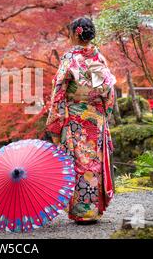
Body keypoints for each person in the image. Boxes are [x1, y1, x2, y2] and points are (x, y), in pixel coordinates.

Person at [46, 17, 116, 224]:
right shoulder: (99, 58)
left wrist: (56, 123)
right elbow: (108, 93)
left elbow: (59, 91)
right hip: (96, 118)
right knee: (94, 162)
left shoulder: (70, 58)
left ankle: (81, 211)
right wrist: (104, 114)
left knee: (79, 163)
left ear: (76, 34)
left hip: (76, 118)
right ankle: (93, 210)